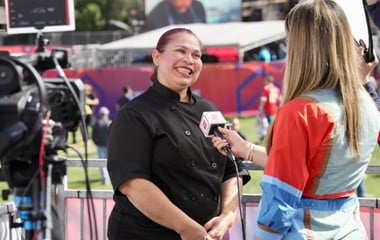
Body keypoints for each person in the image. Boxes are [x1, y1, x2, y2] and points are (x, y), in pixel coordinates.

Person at [211, 0, 380, 239]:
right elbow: (313, 173)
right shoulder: (367, 105)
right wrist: (247, 149)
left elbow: (279, 203)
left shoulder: (302, 111)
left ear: (301, 47)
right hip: (351, 230)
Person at [106, 28, 250, 240]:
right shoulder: (134, 114)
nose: (189, 60)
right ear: (157, 57)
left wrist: (227, 216)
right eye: (181, 51)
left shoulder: (208, 109)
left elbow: (232, 169)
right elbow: (133, 184)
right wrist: (186, 228)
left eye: (196, 55)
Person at [91, 106, 111, 185]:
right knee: (109, 162)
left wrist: (96, 143)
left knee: (101, 162)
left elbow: (93, 135)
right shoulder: (109, 122)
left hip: (100, 145)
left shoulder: (97, 123)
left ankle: (105, 179)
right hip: (109, 145)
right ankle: (109, 178)